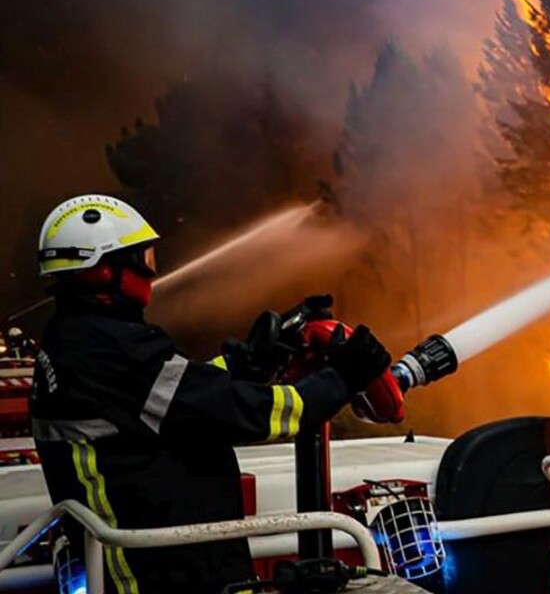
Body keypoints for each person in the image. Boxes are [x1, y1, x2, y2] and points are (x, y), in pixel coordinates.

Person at [29, 194, 391, 594]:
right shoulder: (115, 350)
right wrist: (341, 377)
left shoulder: (77, 340)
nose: (150, 273)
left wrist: (247, 362)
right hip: (159, 574)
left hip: (163, 562)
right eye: (141, 258)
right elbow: (249, 414)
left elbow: (179, 395)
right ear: (102, 272)